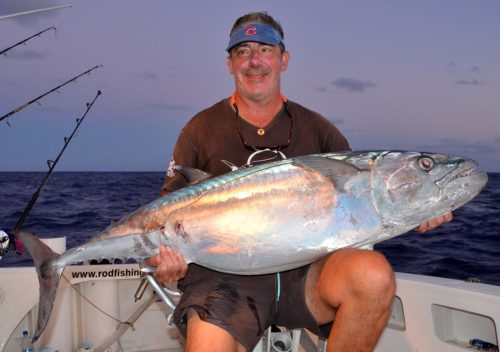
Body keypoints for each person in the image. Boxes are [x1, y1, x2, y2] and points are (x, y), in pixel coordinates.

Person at [147, 12, 452, 352]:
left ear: (283, 60)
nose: (254, 61)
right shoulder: (200, 129)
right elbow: (164, 215)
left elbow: (364, 204)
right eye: (242, 51)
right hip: (226, 279)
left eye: (265, 49)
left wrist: (417, 208)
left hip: (307, 275)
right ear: (230, 64)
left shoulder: (318, 129)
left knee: (373, 275)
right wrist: (167, 260)